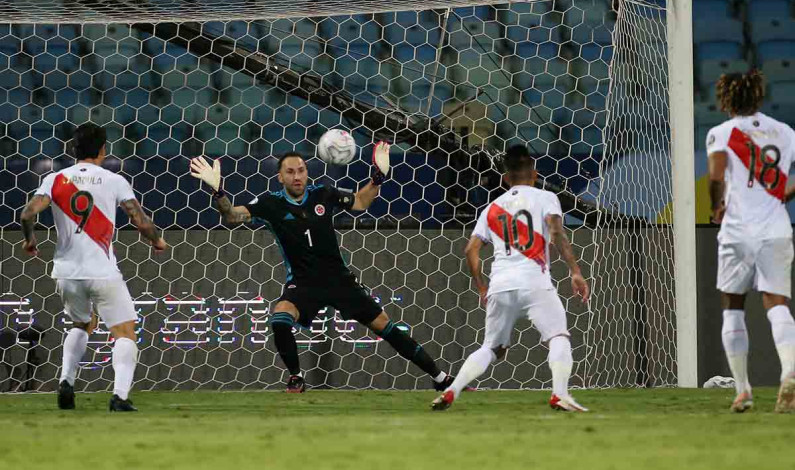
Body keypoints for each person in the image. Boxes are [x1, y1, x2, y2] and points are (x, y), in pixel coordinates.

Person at [189, 142, 454, 392]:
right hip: (303, 283)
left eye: (301, 170)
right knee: (280, 317)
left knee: (385, 325)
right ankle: (296, 377)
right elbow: (232, 216)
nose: (297, 176)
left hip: (338, 279)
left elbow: (360, 202)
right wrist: (218, 192)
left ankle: (440, 378)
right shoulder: (270, 204)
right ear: (280, 177)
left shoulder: (323, 194)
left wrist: (377, 178)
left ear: (307, 173)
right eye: (290, 172)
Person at [20, 122, 167, 412]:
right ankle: (120, 397)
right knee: (125, 332)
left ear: (73, 149)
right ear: (103, 149)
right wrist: (157, 240)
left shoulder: (55, 179)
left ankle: (66, 382)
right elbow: (140, 220)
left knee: (82, 324)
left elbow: (27, 213)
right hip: (102, 271)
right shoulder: (114, 180)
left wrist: (30, 240)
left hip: (67, 273)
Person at [431, 144, 589, 411]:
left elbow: (471, 250)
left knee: (490, 348)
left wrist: (482, 287)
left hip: (500, 284)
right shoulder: (546, 197)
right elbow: (557, 232)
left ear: (506, 178)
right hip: (535, 281)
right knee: (558, 336)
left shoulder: (491, 208)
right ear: (535, 174)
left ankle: (451, 390)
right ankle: (559, 394)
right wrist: (575, 271)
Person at [707, 69, 795, 413]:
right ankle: (789, 370)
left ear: (726, 100)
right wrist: (782, 196)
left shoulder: (722, 133)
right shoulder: (785, 132)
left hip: (737, 231)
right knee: (777, 305)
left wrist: (716, 206)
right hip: (775, 228)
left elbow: (715, 175)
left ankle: (742, 390)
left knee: (733, 306)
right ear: (758, 97)